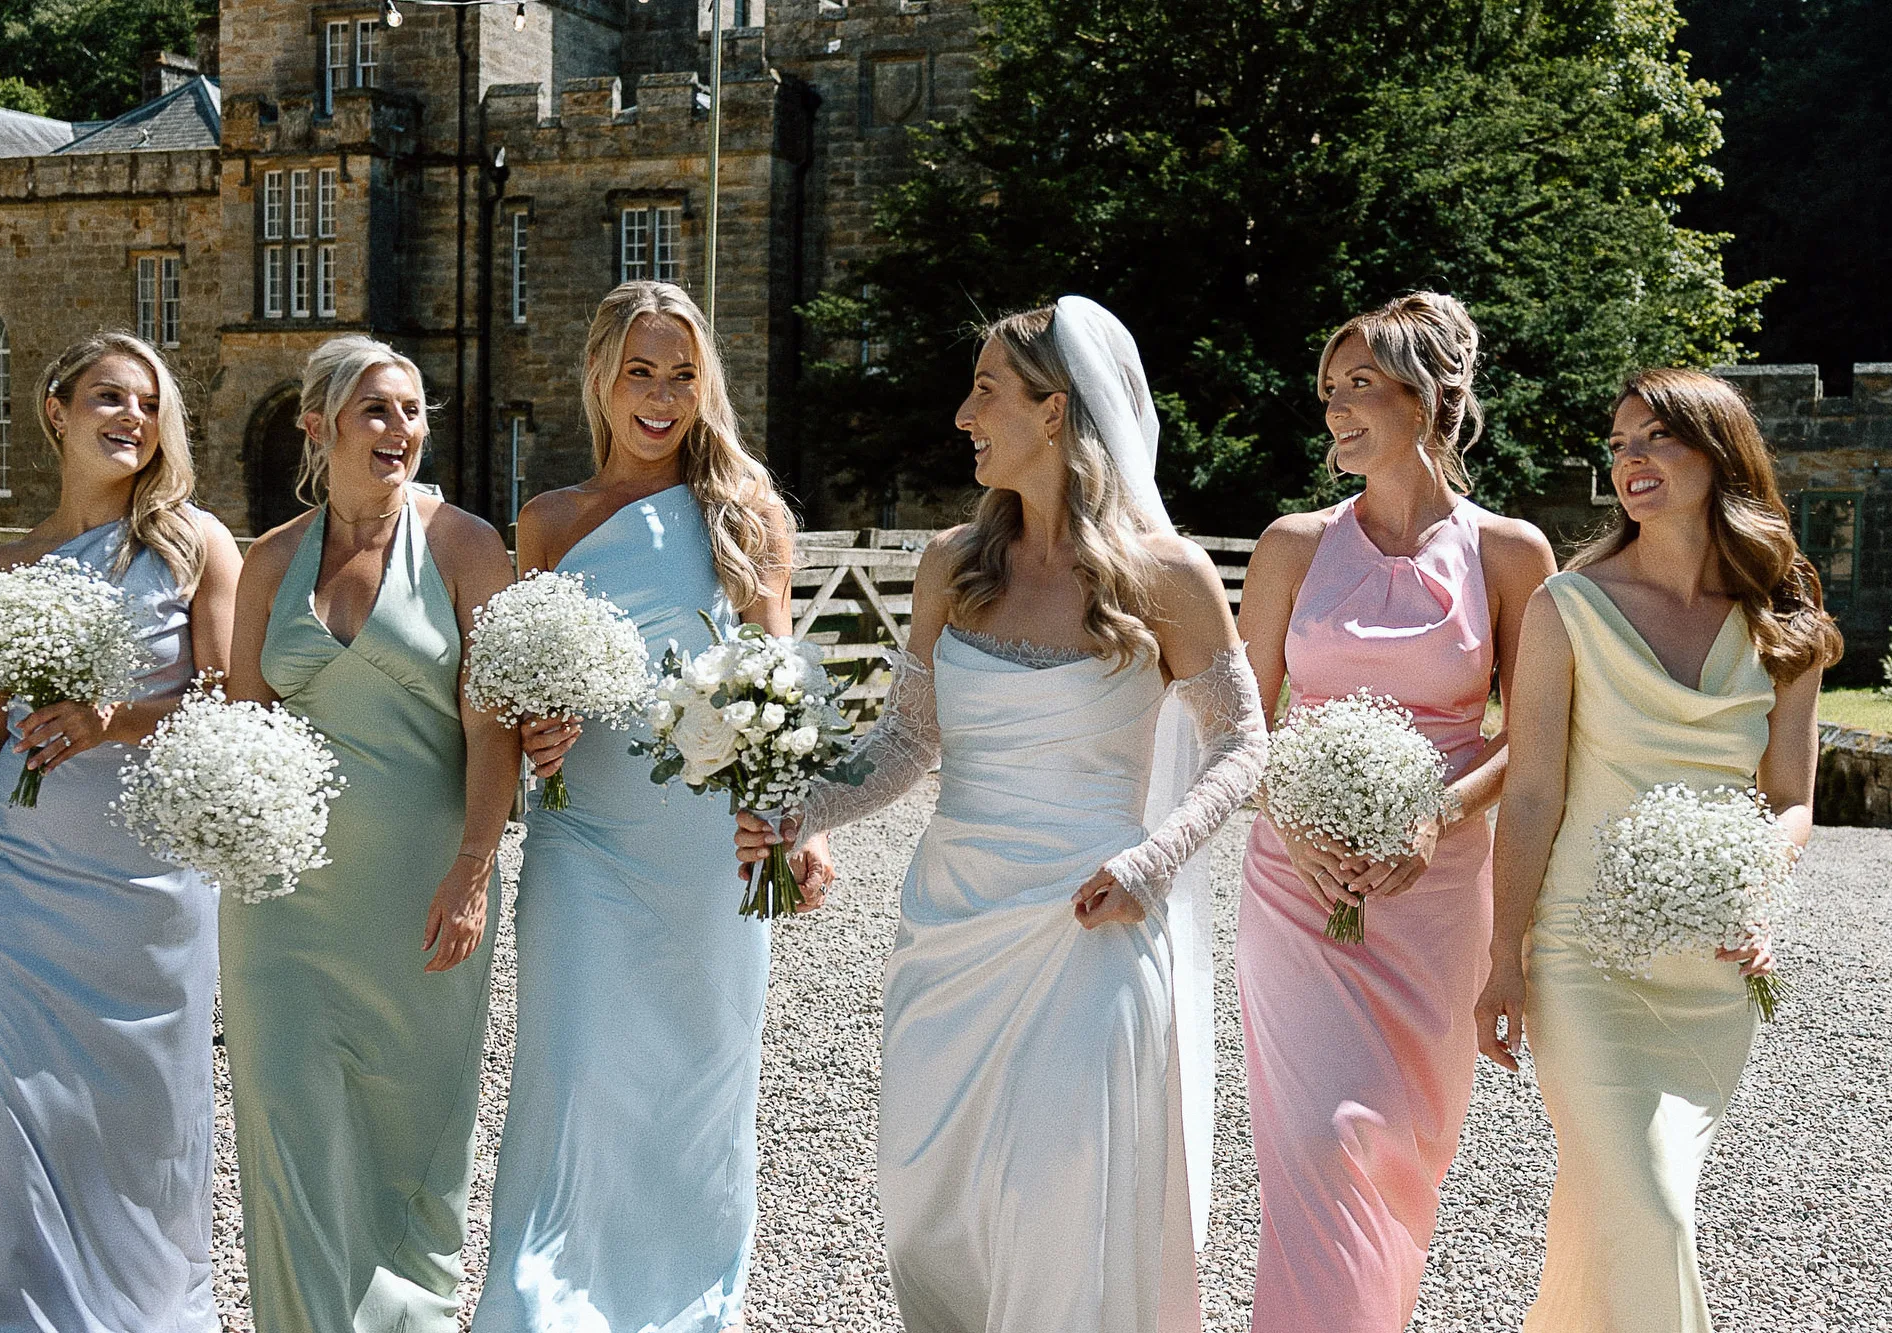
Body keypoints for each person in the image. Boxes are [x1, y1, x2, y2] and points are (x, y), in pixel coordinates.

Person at [738, 296, 1266, 1333]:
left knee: (1057, 1204)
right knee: (938, 1215)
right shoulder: (950, 565)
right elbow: (904, 746)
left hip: (1093, 923)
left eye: (985, 388)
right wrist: (801, 806)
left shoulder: (1165, 578)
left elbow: (1243, 741)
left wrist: (1153, 860)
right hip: (949, 929)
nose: (960, 414)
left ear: (1054, 410)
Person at [475, 280, 827, 1333]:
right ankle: (542, 1309)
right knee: (572, 1075)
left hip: (707, 850)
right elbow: (510, 683)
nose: (661, 396)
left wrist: (789, 825)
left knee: (694, 1088)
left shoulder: (745, 514)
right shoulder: (544, 521)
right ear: (598, 376)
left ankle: (677, 1306)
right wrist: (537, 719)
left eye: (681, 375)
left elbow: (778, 681)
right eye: (640, 370)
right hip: (583, 839)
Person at [1475, 368, 1836, 1332]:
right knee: (1651, 1204)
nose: (1629, 461)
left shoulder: (1784, 614)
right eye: (1620, 444)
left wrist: (1758, 892)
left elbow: (1790, 798)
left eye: (1655, 441)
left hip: (1710, 976)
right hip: (1582, 958)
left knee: (1617, 1208)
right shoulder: (1566, 606)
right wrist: (1503, 956)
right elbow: (1537, 786)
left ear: (1717, 455)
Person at [0, 331, 240, 1332]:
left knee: (150, 1126)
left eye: (147, 402)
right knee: (20, 1124)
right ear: (57, 411)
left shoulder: (194, 548)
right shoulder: (5, 565)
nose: (131, 418)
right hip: (13, 888)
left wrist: (113, 719)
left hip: (149, 890)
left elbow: (226, 704)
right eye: (108, 397)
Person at [1233, 293, 1556, 1331]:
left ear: (1427, 400)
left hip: (1435, 891)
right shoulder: (1290, 544)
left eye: (1359, 385)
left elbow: (1532, 735)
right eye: (1328, 389)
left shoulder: (1510, 554)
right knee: (1319, 1140)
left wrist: (1437, 814)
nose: (1332, 408)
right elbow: (1238, 719)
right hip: (1295, 878)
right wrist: (1292, 821)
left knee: (1401, 1151)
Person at [220, 335, 520, 1332]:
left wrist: (473, 869)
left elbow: (494, 724)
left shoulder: (464, 546)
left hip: (421, 894)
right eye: (377, 410)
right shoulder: (268, 560)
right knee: (290, 1143)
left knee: (410, 1153)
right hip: (280, 912)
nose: (402, 429)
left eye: (413, 410)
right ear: (320, 426)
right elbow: (242, 733)